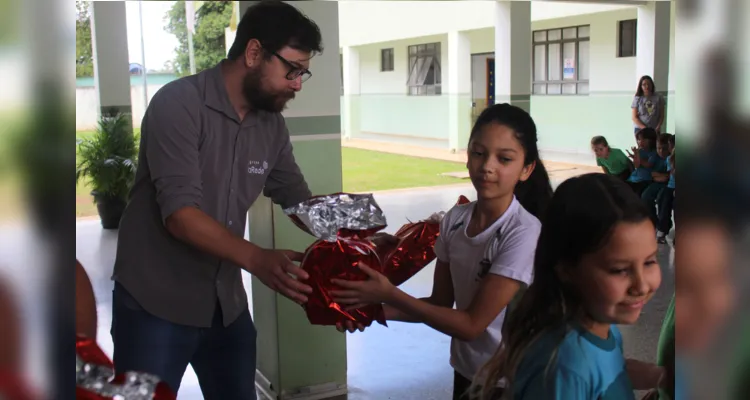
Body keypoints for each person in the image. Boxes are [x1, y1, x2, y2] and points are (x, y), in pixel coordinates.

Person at [109, 2, 325, 398]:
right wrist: (258, 259)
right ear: (254, 53)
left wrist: (356, 240)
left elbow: (299, 201)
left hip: (225, 307)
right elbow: (180, 215)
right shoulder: (178, 105)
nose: (297, 83)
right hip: (153, 304)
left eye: (302, 73)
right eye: (292, 70)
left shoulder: (270, 126)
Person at [330, 103, 553, 400]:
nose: (487, 166)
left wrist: (388, 294)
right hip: (466, 370)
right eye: (478, 153)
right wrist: (370, 311)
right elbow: (440, 303)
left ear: (526, 169)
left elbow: (472, 325)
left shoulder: (523, 232)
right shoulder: (455, 219)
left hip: (512, 381)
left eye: (505, 158)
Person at [475, 173, 664, 400]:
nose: (641, 285)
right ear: (566, 269)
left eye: (650, 262)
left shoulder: (601, 325)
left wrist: (660, 377)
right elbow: (581, 374)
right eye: (619, 270)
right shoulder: (564, 367)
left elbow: (609, 369)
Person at [641, 134, 671, 228]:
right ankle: (654, 222)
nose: (661, 151)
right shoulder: (655, 156)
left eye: (664, 148)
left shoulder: (672, 157)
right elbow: (652, 173)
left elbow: (669, 177)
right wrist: (658, 177)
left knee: (661, 198)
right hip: (657, 182)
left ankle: (665, 224)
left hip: (669, 185)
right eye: (659, 148)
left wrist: (659, 176)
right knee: (645, 196)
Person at [626, 128, 659, 195]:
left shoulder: (654, 152)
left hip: (645, 180)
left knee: (637, 195)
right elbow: (636, 165)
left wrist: (636, 156)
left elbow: (648, 164)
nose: (640, 142)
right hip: (634, 178)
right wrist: (636, 155)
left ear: (651, 139)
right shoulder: (640, 151)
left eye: (643, 139)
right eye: (638, 140)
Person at [656, 150, 675, 244]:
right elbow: (672, 174)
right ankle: (662, 231)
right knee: (663, 203)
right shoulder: (670, 159)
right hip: (671, 187)